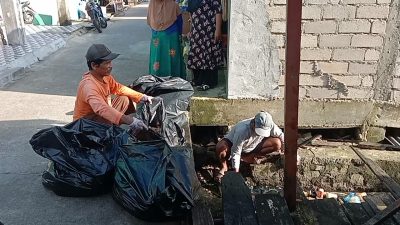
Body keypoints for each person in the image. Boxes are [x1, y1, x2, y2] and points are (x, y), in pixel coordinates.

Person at [73, 44, 153, 133]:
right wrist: (130, 121)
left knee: (124, 99)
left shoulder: (105, 77)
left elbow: (119, 88)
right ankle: (108, 132)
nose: (111, 65)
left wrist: (142, 97)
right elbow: (102, 109)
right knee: (107, 115)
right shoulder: (88, 86)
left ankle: (111, 127)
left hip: (98, 116)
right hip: (84, 126)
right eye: (107, 63)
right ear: (94, 65)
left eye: (110, 62)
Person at [214, 111, 284, 182]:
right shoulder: (242, 130)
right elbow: (236, 152)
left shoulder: (269, 124)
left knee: (277, 143)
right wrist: (236, 171)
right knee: (221, 148)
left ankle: (250, 157)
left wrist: (286, 151)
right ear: (253, 123)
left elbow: (281, 135)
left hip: (253, 146)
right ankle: (224, 166)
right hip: (233, 146)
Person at [187, 0, 224, 91]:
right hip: (197, 32)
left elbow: (218, 12)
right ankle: (198, 80)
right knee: (196, 56)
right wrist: (191, 30)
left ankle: (209, 82)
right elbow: (192, 15)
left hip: (209, 31)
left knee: (208, 56)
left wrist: (218, 30)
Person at [147, 0, 186, 78]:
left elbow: (149, 20)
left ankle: (157, 78)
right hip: (171, 35)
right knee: (172, 58)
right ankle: (174, 79)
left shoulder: (152, 3)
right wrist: (180, 34)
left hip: (157, 35)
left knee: (157, 57)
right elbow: (179, 21)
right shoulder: (173, 3)